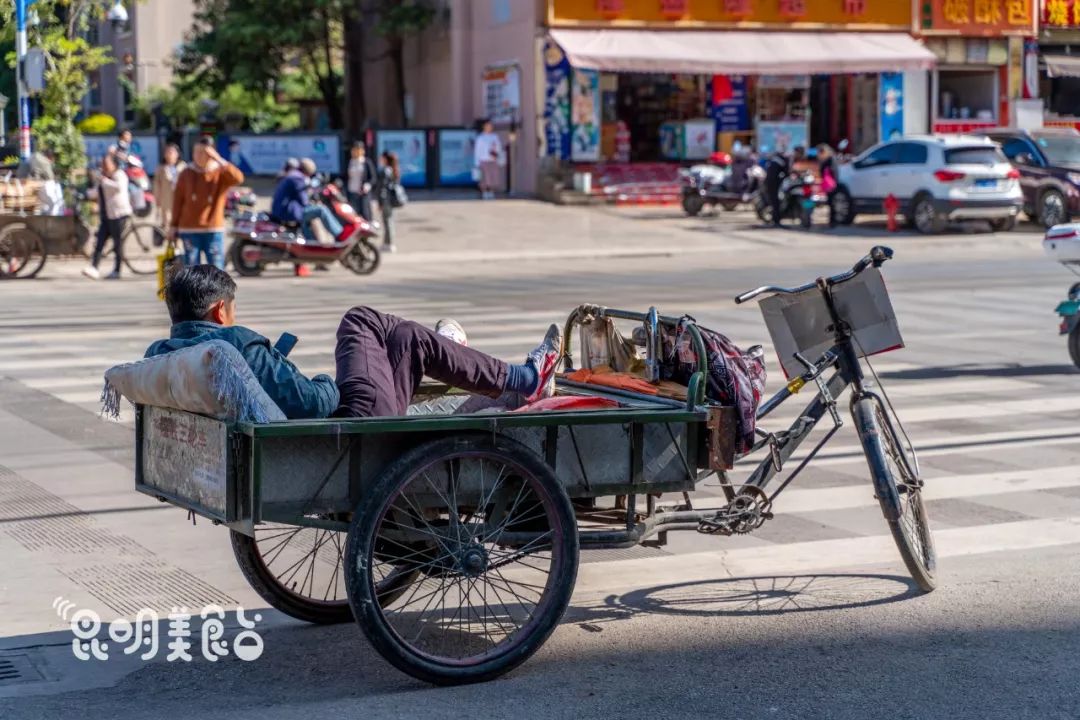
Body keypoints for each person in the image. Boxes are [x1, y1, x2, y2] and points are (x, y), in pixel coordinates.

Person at [145, 265, 563, 420]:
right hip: (346, 428)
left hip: (337, 427)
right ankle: (524, 378)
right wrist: (328, 382)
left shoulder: (163, 354)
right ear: (220, 311)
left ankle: (446, 350)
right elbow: (313, 403)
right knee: (360, 319)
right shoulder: (234, 342)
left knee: (407, 338)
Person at [170, 137, 244, 270]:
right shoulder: (186, 173)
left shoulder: (219, 172)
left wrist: (218, 159)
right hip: (189, 229)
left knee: (216, 269)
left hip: (213, 228)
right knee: (192, 270)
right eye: (195, 152)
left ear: (211, 154)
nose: (197, 156)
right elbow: (177, 201)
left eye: (202, 152)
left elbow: (238, 178)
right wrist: (173, 226)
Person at [270, 157, 343, 244]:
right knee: (321, 210)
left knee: (308, 216)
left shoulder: (293, 174)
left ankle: (311, 243)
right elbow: (304, 201)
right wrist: (314, 202)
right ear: (309, 171)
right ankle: (340, 234)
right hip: (287, 212)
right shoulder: (298, 178)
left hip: (283, 210)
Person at [82, 154, 132, 280]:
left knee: (117, 243)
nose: (104, 166)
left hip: (119, 214)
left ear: (114, 164)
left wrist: (104, 181)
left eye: (107, 164)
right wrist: (85, 195)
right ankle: (94, 268)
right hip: (106, 215)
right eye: (103, 164)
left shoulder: (120, 175)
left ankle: (117, 270)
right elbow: (97, 191)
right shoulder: (104, 177)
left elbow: (119, 187)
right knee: (100, 241)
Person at [153, 143, 186, 229]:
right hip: (166, 200)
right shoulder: (160, 168)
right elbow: (156, 185)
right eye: (167, 152)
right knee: (167, 223)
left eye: (171, 152)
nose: (169, 154)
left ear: (177, 154)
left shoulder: (183, 167)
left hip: (180, 200)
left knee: (180, 222)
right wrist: (157, 199)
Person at [375, 151, 399, 253]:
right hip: (391, 200)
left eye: (381, 158)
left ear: (385, 159)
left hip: (386, 200)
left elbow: (382, 188)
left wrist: (380, 202)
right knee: (389, 221)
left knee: (387, 222)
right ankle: (388, 243)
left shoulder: (385, 170)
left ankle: (388, 244)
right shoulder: (393, 169)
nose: (380, 159)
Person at [346, 141, 377, 221]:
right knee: (354, 214)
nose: (355, 152)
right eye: (354, 150)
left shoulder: (366, 162)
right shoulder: (350, 162)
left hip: (363, 193)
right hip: (352, 191)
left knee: (365, 213)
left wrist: (368, 185)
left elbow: (373, 177)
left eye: (358, 150)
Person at [474, 120, 502, 200]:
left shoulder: (495, 137)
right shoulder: (480, 138)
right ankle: (484, 192)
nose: (489, 127)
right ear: (484, 127)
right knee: (485, 177)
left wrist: (497, 156)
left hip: (493, 160)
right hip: (484, 160)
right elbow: (477, 150)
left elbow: (499, 147)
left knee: (494, 177)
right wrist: (476, 162)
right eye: (488, 126)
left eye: (490, 126)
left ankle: (491, 192)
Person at [763, 147, 790, 228]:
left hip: (769, 183)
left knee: (773, 202)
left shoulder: (773, 160)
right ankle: (776, 220)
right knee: (776, 202)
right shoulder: (783, 160)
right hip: (776, 184)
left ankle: (775, 219)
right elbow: (786, 173)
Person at [817, 144, 838, 227]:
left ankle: (833, 221)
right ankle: (832, 221)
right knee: (830, 202)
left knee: (832, 203)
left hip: (831, 184)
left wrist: (834, 182)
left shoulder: (830, 159)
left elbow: (833, 171)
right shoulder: (825, 160)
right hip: (828, 184)